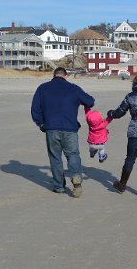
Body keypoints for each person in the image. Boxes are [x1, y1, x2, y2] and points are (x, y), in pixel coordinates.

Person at [31, 67, 95, 197]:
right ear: (65, 76)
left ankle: (59, 186)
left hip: (51, 128)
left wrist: (41, 124)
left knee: (55, 158)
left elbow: (35, 109)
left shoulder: (43, 88)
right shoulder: (73, 88)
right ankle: (76, 177)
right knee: (73, 155)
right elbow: (90, 101)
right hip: (70, 129)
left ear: (54, 75)